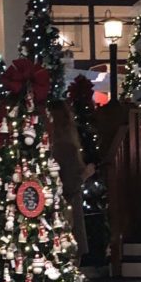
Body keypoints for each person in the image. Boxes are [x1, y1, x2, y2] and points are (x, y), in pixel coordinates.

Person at [49, 102, 93, 258]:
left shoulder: (50, 147)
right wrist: (85, 174)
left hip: (52, 207)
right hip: (69, 209)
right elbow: (70, 185)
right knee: (72, 254)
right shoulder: (68, 149)